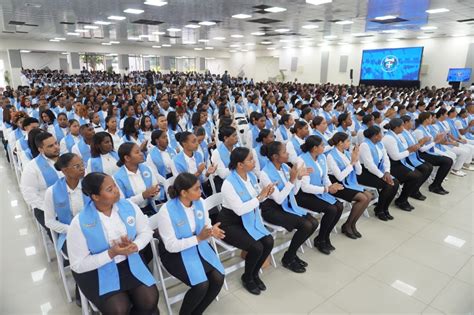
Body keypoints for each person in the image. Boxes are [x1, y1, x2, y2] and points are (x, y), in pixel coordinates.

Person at [67, 172, 159, 315]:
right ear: (95, 197)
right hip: (97, 270)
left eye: (114, 186)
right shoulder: (79, 223)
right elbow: (78, 265)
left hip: (129, 261)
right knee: (118, 309)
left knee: (149, 300)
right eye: (109, 189)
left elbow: (146, 231)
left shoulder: (128, 206)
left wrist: (136, 245)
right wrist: (111, 253)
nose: (116, 191)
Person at [156, 173, 225, 314]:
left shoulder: (200, 203)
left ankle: (197, 311)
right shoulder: (166, 211)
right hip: (175, 253)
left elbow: (206, 224)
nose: (201, 192)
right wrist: (198, 238)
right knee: (201, 285)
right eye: (197, 189)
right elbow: (171, 245)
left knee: (218, 277)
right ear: (184, 193)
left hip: (198, 244)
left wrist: (212, 230)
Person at [217, 147, 275, 295]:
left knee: (268, 241)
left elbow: (256, 200)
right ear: (239, 165)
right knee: (256, 247)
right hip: (230, 223)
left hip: (248, 218)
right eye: (250, 159)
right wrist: (260, 197)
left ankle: (255, 273)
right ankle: (247, 277)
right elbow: (240, 209)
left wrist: (266, 194)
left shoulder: (249, 177)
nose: (253, 161)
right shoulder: (228, 184)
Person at [260, 141, 317, 272]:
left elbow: (294, 192)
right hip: (272, 209)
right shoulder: (265, 174)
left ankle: (291, 254)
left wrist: (298, 178)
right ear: (275, 156)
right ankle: (288, 258)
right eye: (284, 152)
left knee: (313, 222)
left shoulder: (285, 167)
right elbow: (279, 199)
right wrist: (292, 179)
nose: (288, 154)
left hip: (287, 204)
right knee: (306, 225)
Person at [294, 135, 344, 254]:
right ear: (315, 148)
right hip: (303, 195)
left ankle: (325, 236)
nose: (324, 147)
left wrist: (331, 186)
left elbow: (325, 176)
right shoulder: (301, 160)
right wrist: (326, 189)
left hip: (320, 190)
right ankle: (320, 239)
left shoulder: (321, 157)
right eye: (322, 145)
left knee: (339, 206)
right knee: (331, 209)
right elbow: (305, 187)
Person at [326, 132, 372, 239]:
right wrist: (352, 163)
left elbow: (359, 172)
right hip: (337, 183)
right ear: (340, 143)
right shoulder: (330, 156)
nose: (349, 143)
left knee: (368, 196)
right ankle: (347, 225)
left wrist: (356, 159)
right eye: (347, 141)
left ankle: (352, 224)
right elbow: (340, 177)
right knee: (362, 198)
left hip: (349, 182)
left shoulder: (346, 153)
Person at [44, 153, 89, 253]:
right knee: (81, 252)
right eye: (77, 166)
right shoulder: (52, 192)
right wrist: (70, 229)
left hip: (93, 228)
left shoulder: (89, 185)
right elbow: (49, 221)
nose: (82, 168)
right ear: (65, 170)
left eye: (82, 164)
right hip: (70, 233)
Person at [20, 132, 62, 237]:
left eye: (56, 143)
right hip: (45, 208)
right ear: (40, 149)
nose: (56, 147)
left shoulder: (66, 160)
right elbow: (29, 195)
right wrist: (49, 209)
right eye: (50, 146)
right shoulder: (32, 168)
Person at [382, 118, 429, 211]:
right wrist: (409, 150)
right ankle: (402, 200)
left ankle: (403, 199)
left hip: (400, 161)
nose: (403, 128)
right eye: (402, 126)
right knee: (415, 176)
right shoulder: (389, 138)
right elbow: (395, 156)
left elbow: (403, 149)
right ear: (396, 127)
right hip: (392, 165)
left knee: (418, 175)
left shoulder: (396, 135)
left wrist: (412, 148)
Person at [358, 126, 400, 221]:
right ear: (375, 136)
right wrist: (383, 176)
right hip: (364, 173)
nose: (382, 135)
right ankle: (379, 209)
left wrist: (387, 172)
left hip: (378, 171)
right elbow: (369, 165)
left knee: (396, 183)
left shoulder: (380, 144)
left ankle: (385, 208)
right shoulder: (365, 145)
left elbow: (386, 158)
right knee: (387, 185)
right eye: (380, 134)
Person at [114, 143, 164, 216]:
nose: (141, 154)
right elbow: (122, 203)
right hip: (131, 214)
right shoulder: (117, 177)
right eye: (137, 152)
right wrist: (143, 196)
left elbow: (157, 189)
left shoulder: (147, 169)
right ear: (127, 158)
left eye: (140, 151)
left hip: (150, 208)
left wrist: (154, 193)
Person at [413, 112, 453, 193]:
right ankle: (435, 186)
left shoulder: (426, 128)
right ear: (426, 119)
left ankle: (437, 184)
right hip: (421, 154)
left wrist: (437, 139)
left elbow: (430, 142)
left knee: (449, 160)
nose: (432, 119)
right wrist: (435, 142)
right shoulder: (419, 131)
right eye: (431, 118)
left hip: (429, 151)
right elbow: (421, 149)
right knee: (447, 161)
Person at [171, 131, 217, 197]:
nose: (197, 143)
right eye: (194, 141)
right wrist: (198, 172)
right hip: (186, 195)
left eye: (197, 141)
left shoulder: (198, 155)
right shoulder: (175, 161)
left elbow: (202, 179)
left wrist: (208, 173)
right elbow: (181, 185)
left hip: (199, 191)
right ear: (184, 144)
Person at [210, 126, 238, 192]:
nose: (237, 137)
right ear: (226, 138)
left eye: (236, 135)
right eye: (234, 136)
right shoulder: (216, 153)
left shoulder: (237, 148)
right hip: (223, 182)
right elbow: (223, 174)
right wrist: (237, 167)